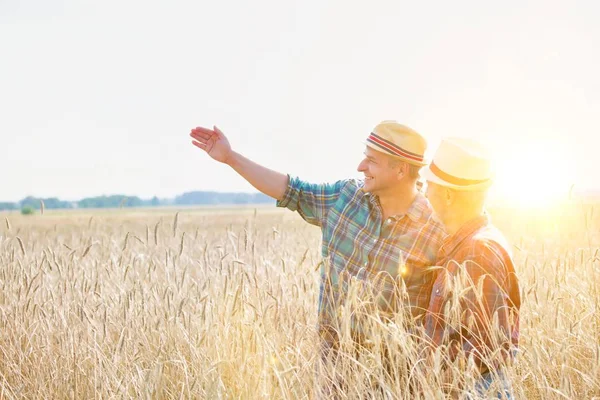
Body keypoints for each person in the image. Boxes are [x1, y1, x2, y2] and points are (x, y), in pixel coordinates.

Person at [189, 121, 446, 389]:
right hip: (333, 372)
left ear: (401, 170)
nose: (361, 167)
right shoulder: (345, 198)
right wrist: (230, 157)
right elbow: (291, 190)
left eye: (372, 161)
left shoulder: (434, 230)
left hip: (396, 381)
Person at [421, 138, 521, 399]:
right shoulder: (467, 244)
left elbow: (484, 351)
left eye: (429, 185)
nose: (424, 193)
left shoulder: (478, 251)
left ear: (448, 194)